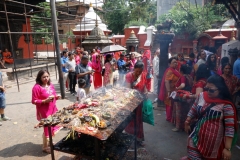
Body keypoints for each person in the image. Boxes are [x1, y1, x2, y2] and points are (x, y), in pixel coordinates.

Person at [185, 75, 238, 160]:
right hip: (196, 137)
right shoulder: (201, 96)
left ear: (220, 89)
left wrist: (227, 149)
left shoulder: (226, 105)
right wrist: (187, 121)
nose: (208, 92)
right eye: (206, 88)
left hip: (213, 145)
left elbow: (230, 128)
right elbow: (193, 109)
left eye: (211, 90)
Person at [31, 70, 62, 153]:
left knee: (52, 126)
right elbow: (34, 101)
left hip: (53, 109)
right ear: (39, 78)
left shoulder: (50, 85)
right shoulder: (36, 87)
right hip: (44, 111)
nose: (46, 78)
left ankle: (50, 142)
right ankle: (45, 147)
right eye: (44, 77)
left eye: (47, 76)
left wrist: (56, 97)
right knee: (47, 127)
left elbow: (53, 95)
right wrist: (44, 101)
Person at [125, 61, 147, 146]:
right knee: (131, 120)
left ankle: (138, 139)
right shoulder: (129, 76)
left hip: (140, 102)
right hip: (131, 102)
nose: (138, 73)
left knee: (138, 120)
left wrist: (146, 92)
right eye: (137, 71)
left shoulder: (143, 75)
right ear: (134, 69)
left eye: (140, 71)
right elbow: (128, 90)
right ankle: (130, 138)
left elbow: (144, 86)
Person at [172, 64, 193, 132]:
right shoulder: (190, 77)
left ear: (181, 71)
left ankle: (178, 127)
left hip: (181, 95)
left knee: (179, 111)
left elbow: (183, 85)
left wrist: (177, 88)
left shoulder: (183, 77)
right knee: (186, 111)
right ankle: (185, 126)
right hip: (188, 95)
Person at [159, 57, 180, 122]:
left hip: (175, 90)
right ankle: (169, 118)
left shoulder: (175, 70)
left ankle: (172, 118)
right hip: (170, 90)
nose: (176, 63)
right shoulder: (170, 71)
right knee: (169, 104)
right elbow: (167, 81)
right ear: (170, 64)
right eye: (174, 62)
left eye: (176, 62)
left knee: (173, 104)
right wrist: (168, 91)